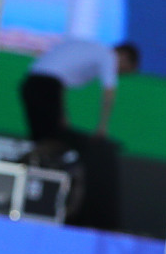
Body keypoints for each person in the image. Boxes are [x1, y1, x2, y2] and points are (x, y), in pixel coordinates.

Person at [19, 39, 138, 231]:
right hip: (44, 87)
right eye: (124, 69)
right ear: (123, 57)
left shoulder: (90, 50)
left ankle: (38, 182)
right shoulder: (107, 56)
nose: (119, 73)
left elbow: (58, 81)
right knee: (52, 141)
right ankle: (28, 178)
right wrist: (102, 127)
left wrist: (62, 115)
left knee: (47, 140)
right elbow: (109, 92)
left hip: (31, 86)